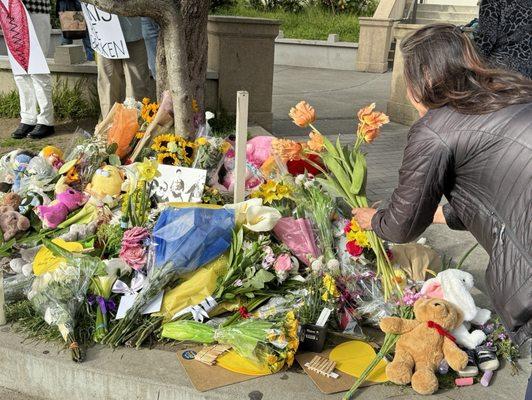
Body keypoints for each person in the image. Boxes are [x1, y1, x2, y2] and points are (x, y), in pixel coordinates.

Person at [353, 24, 532, 348]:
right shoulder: (512, 95)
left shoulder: (435, 129)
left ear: (422, 77)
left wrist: (374, 221)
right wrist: (440, 214)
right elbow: (501, 193)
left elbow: (402, 226)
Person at [10, 0, 55, 139]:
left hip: (35, 9)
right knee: (20, 71)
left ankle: (46, 120)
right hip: (10, 12)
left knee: (37, 68)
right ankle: (28, 118)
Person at [97, 16, 150, 117]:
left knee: (137, 86)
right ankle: (109, 128)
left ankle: (136, 125)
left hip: (131, 30)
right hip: (103, 31)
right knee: (108, 85)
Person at [473, 0, 532, 79]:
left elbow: (486, 40)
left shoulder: (491, 2)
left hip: (501, 70)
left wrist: (471, 64)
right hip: (528, 68)